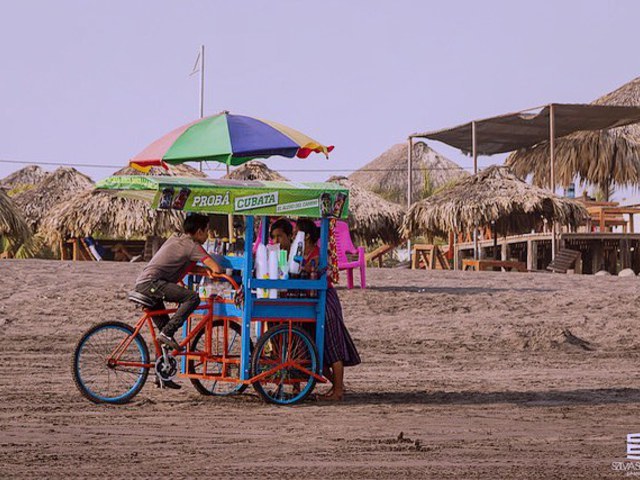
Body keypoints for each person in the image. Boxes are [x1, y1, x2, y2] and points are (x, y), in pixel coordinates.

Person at [135, 213, 223, 389]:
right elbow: (217, 267)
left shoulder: (176, 238)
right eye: (207, 231)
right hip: (153, 284)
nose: (208, 235)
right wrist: (214, 270)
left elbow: (181, 261)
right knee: (192, 297)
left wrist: (203, 270)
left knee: (164, 329)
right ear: (199, 232)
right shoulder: (193, 246)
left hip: (144, 283)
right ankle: (166, 333)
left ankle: (162, 375)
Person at [295, 219, 361, 401]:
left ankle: (338, 390)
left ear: (306, 236)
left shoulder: (318, 255)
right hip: (313, 302)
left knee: (333, 347)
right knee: (317, 350)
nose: (294, 237)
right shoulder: (303, 254)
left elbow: (317, 272)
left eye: (296, 233)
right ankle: (337, 386)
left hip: (326, 302)